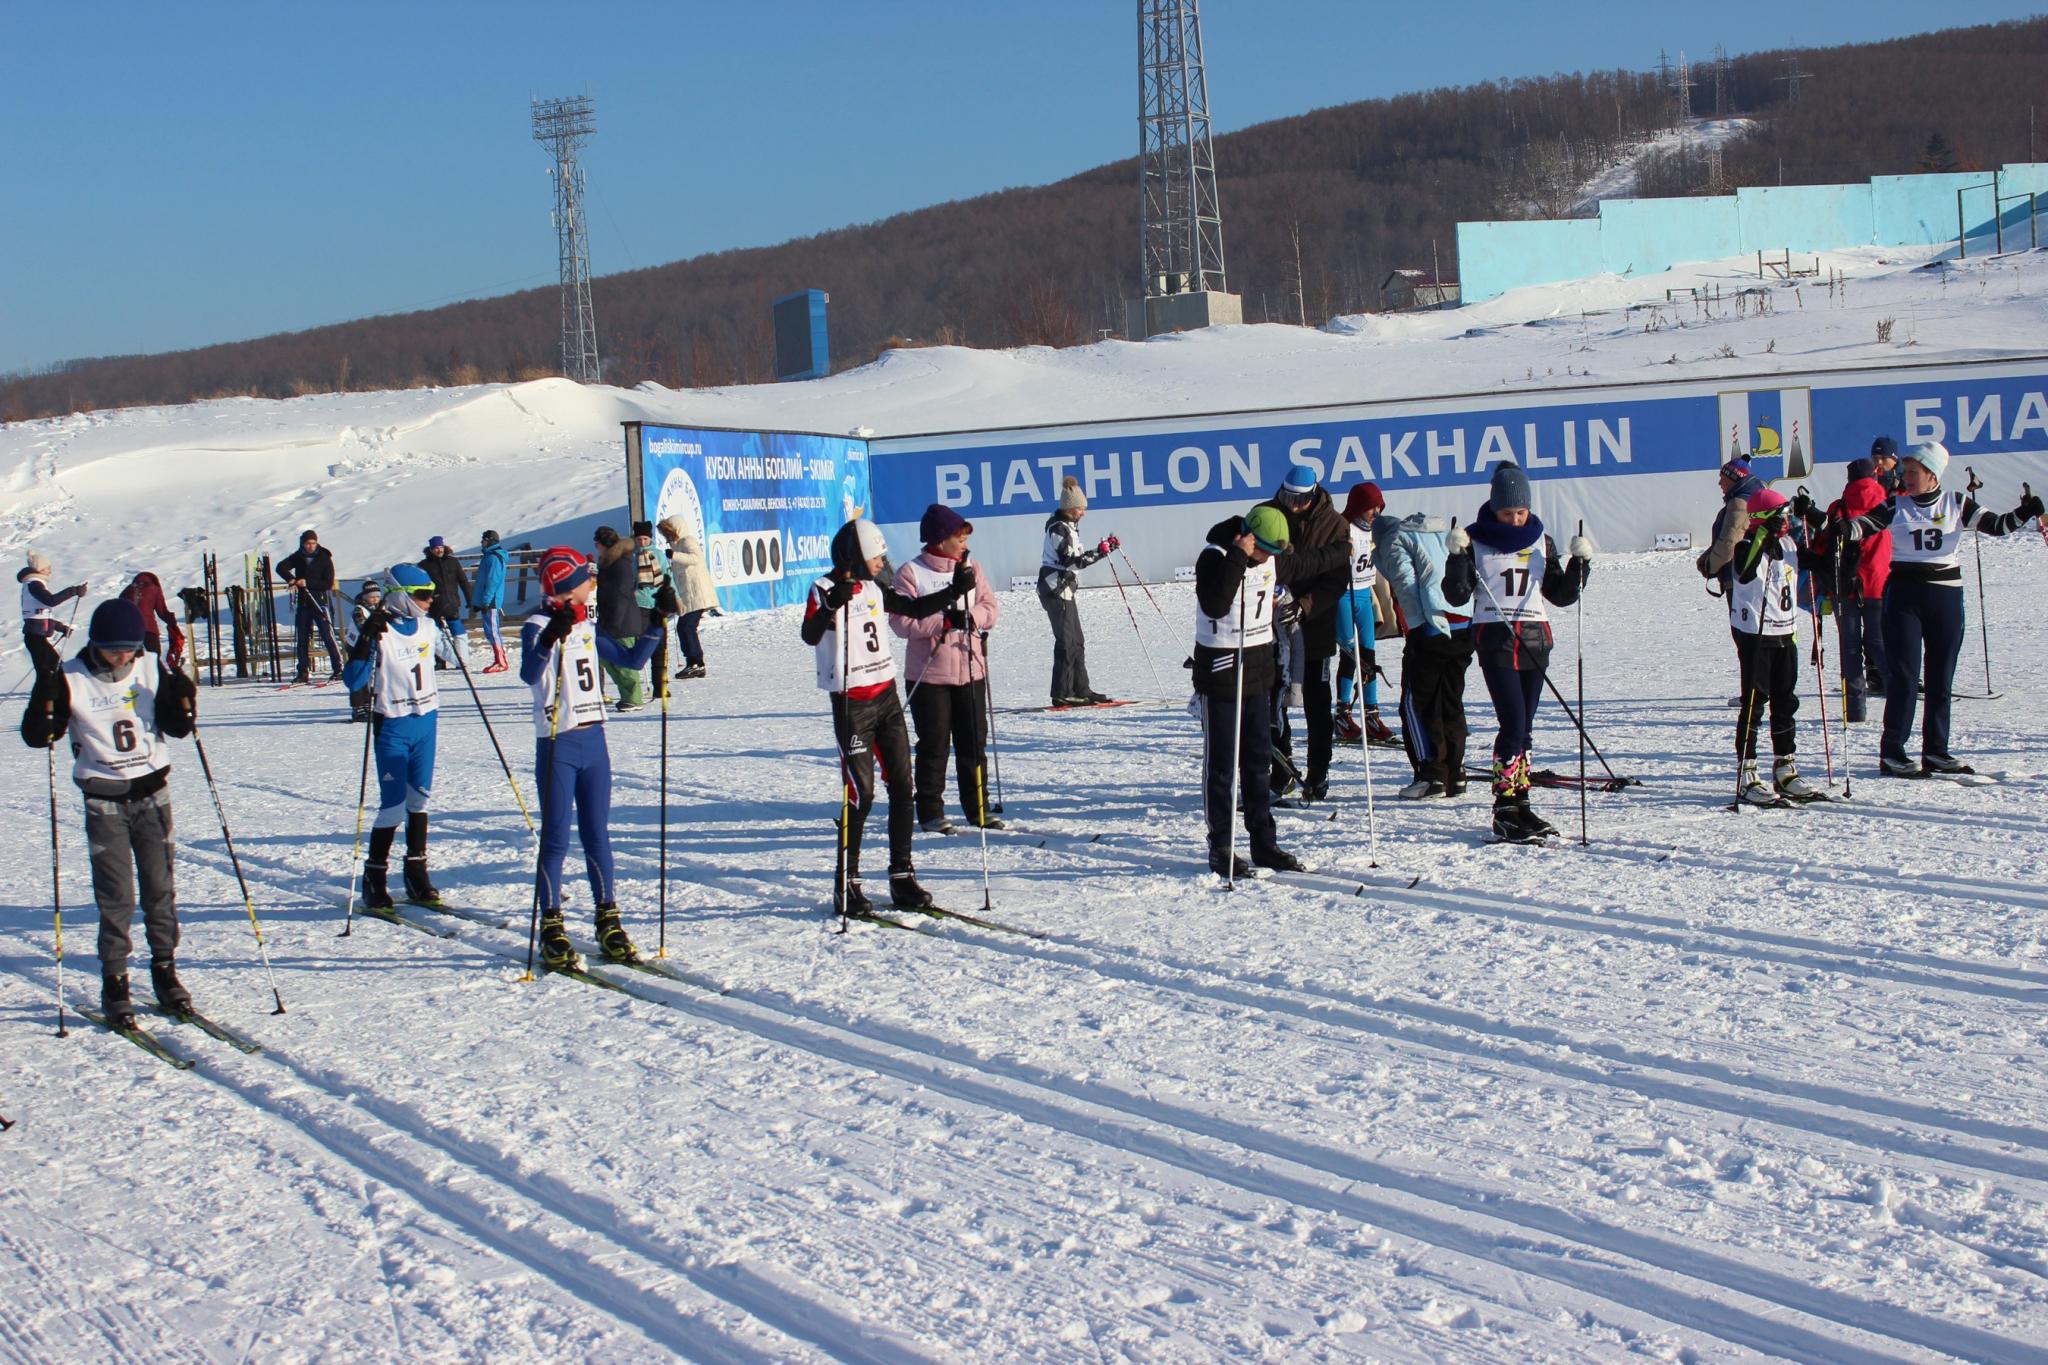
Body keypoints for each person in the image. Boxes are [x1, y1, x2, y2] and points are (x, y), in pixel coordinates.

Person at [19, 598, 199, 1027]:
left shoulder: (151, 666)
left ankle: (164, 969)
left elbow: (178, 727)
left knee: (160, 888)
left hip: (153, 793)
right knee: (116, 896)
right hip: (104, 800)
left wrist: (183, 699)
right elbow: (39, 734)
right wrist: (44, 701)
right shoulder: (71, 678)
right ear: (96, 644)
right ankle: (114, 978)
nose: (122, 656)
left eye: (129, 647)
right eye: (113, 648)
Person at [1840, 440, 2042, 777]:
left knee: (1940, 678)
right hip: (1904, 596)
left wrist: (2025, 511)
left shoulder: (1956, 503)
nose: (1907, 477)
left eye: (1914, 472)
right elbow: (1865, 524)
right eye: (1905, 472)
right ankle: (1893, 752)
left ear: (1933, 474)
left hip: (1945, 597)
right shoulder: (1896, 505)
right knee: (1904, 677)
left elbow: (1997, 526)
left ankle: (1936, 751)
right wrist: (1846, 529)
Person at [802, 518, 968, 915]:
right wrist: (829, 606)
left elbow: (910, 608)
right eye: (875, 556)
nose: (881, 562)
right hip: (852, 702)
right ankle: (848, 883)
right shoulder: (824, 589)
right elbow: (810, 634)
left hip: (886, 697)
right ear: (855, 555)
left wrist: (953, 594)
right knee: (861, 795)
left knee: (902, 787)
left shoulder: (875, 586)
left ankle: (901, 876)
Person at [520, 547, 662, 969]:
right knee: (557, 838)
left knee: (598, 836)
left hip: (594, 742)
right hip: (558, 743)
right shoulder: (538, 624)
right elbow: (529, 673)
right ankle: (551, 924)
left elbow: (632, 660)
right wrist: (549, 638)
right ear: (566, 586)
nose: (593, 581)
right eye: (586, 577)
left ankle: (608, 917)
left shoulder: (585, 624)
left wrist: (659, 622)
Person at [1192, 505, 1346, 876]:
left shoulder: (1273, 559)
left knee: (1259, 762)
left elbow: (1310, 563)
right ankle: (1222, 846)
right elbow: (1215, 602)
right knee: (1223, 766)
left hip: (1259, 671)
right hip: (1222, 671)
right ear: (1247, 539)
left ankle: (1264, 843)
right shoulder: (1214, 557)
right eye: (1263, 551)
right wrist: (1239, 559)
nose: (1270, 560)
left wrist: (1345, 549)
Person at [1452, 463, 1593, 840]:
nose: (1515, 521)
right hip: (1496, 638)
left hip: (1535, 639)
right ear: (1494, 508)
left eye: (1521, 512)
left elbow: (1561, 595)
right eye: (1507, 513)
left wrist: (1582, 564)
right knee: (1512, 724)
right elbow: (1457, 595)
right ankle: (1503, 808)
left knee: (1525, 729)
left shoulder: (1540, 539)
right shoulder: (1474, 539)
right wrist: (1455, 559)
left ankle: (1521, 803)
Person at [891, 504, 1003, 835]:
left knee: (973, 744)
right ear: (940, 540)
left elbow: (990, 607)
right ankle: (930, 811)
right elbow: (901, 621)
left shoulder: (972, 567)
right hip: (930, 675)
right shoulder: (911, 572)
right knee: (933, 745)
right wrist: (942, 622)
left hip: (971, 670)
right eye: (959, 536)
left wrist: (974, 619)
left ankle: (978, 808)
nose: (964, 542)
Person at [341, 565, 445, 908]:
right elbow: (354, 681)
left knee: (421, 801)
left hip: (425, 723)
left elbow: (455, 655)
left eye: (431, 594)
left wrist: (454, 626)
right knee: (393, 807)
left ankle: (416, 873)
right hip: (394, 726)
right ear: (400, 595)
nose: (429, 601)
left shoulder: (428, 626)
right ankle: (374, 876)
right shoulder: (380, 631)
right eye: (422, 595)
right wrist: (366, 639)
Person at [1257, 464, 1350, 801]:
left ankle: (1319, 772)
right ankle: (1281, 770)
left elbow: (1337, 580)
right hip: (1271, 627)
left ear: (1315, 493)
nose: (1293, 505)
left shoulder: (1335, 524)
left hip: (1315, 626)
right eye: (1288, 497)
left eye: (1301, 499)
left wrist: (1308, 604)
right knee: (1273, 701)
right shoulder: (1268, 514)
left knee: (1316, 701)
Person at [1725, 488, 1824, 804]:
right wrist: (1760, 538)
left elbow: (1821, 560)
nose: (1786, 521)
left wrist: (1824, 525)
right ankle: (1747, 771)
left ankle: (1785, 766)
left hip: (1785, 633)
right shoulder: (1744, 547)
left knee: (1786, 700)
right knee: (1755, 702)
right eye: (1780, 515)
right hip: (1755, 634)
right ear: (1762, 520)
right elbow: (1744, 570)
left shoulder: (1789, 544)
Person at [1374, 507, 1476, 799]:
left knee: (1416, 702)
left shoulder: (1393, 540)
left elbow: (1405, 584)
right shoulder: (1436, 531)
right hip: (1463, 623)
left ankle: (1431, 774)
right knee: (1450, 700)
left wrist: (1416, 629)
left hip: (1431, 625)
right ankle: (1455, 772)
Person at [1799, 459, 1891, 722]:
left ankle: (1855, 710)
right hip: (1878, 585)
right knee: (1880, 644)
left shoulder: (1838, 508)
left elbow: (1823, 546)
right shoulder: (1887, 505)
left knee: (1849, 648)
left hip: (1844, 587)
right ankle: (1898, 698)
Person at [1038, 475, 1115, 707]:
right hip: (1055, 589)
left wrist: (1105, 549)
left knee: (1077, 641)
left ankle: (1081, 689)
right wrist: (1100, 552)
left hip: (1065, 590)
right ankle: (1062, 692)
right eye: (1081, 508)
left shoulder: (1068, 527)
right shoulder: (1058, 529)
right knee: (1067, 641)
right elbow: (1071, 562)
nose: (1084, 513)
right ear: (1070, 508)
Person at [1333, 482, 1398, 749]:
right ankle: (1342, 715)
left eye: (1379, 507)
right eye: (1372, 507)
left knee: (1369, 655)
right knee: (1350, 653)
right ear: (1359, 507)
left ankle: (1372, 715)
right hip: (1343, 594)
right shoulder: (1342, 527)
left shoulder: (1376, 529)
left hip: (1364, 593)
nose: (1376, 512)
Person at [276, 528, 342, 684]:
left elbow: (328, 582)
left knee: (327, 636)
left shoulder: (324, 558)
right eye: (307, 543)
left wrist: (308, 582)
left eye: (313, 543)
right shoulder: (298, 557)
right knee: (302, 638)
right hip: (304, 602)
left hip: (320, 601)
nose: (310, 546)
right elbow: (281, 567)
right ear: (303, 544)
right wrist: (291, 579)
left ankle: (338, 668)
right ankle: (303, 671)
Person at [592, 525, 647, 711]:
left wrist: (614, 622)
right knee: (606, 658)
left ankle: (634, 698)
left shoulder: (620, 563)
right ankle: (627, 695)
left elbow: (622, 594)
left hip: (622, 620)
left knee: (623, 662)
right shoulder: (609, 562)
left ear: (601, 544)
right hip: (610, 618)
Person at [658, 517, 718, 679]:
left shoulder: (687, 541)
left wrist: (675, 556)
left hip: (698, 593)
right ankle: (695, 662)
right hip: (689, 596)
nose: (667, 536)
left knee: (686, 627)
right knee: (685, 628)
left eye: (668, 532)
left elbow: (696, 558)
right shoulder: (676, 545)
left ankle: (695, 662)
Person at [18, 550, 87, 679]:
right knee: (54, 670)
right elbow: (50, 600)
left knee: (52, 670)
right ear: (39, 569)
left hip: (35, 638)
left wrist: (60, 627)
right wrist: (74, 591)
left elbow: (39, 616)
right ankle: (52, 696)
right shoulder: (34, 584)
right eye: (47, 568)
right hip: (35, 638)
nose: (50, 571)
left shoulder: (33, 584)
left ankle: (53, 695)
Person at [630, 521, 679, 674]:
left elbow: (667, 575)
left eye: (645, 539)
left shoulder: (658, 554)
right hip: (640, 602)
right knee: (645, 641)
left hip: (657, 602)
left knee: (659, 644)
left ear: (650, 538)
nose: (642, 542)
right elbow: (630, 578)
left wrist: (674, 597)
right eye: (639, 539)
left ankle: (660, 684)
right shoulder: (633, 556)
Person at [417, 536, 471, 670]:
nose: (439, 550)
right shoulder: (424, 565)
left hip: (452, 602)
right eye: (436, 548)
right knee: (436, 634)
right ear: (431, 549)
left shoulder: (453, 562)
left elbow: (463, 581)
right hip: (433, 604)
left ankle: (462, 660)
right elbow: (420, 587)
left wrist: (470, 599)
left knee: (458, 632)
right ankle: (439, 661)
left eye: (440, 547)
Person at [118, 572, 185, 671]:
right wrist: (172, 623)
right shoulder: (154, 589)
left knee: (133, 660)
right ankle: (153, 680)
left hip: (129, 631)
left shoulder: (127, 590)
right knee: (154, 657)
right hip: (148, 629)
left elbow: (119, 609)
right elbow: (162, 611)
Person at [346, 578, 383, 724]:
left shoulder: (380, 609)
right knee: (358, 676)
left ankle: (368, 704)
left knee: (370, 676)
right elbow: (362, 625)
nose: (375, 599)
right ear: (364, 597)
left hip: (371, 646)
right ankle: (358, 707)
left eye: (377, 597)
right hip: (357, 646)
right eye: (371, 597)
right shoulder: (359, 609)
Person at [473, 530, 509, 673]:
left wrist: (486, 600)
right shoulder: (488, 557)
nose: (482, 543)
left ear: (490, 540)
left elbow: (492, 581)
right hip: (487, 599)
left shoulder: (493, 558)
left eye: (484, 540)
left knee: (493, 631)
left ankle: (501, 661)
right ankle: (498, 659)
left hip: (491, 600)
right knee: (490, 631)